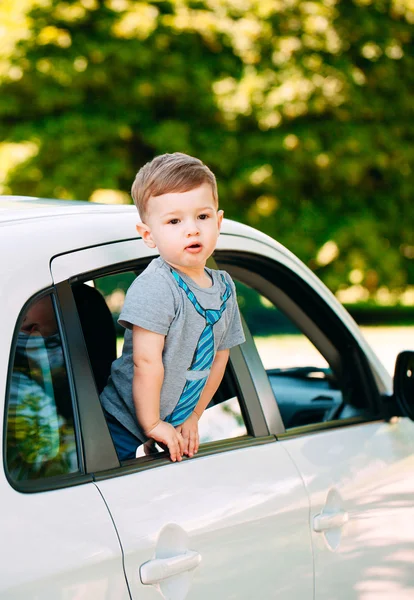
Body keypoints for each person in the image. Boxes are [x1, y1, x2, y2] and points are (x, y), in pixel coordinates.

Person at [100, 153, 245, 462]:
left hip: (172, 426)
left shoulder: (224, 288)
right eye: (174, 221)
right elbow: (146, 362)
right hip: (122, 426)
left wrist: (193, 414)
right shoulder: (158, 286)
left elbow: (219, 358)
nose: (191, 229)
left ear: (218, 222)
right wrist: (153, 423)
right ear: (149, 236)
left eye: (202, 217)